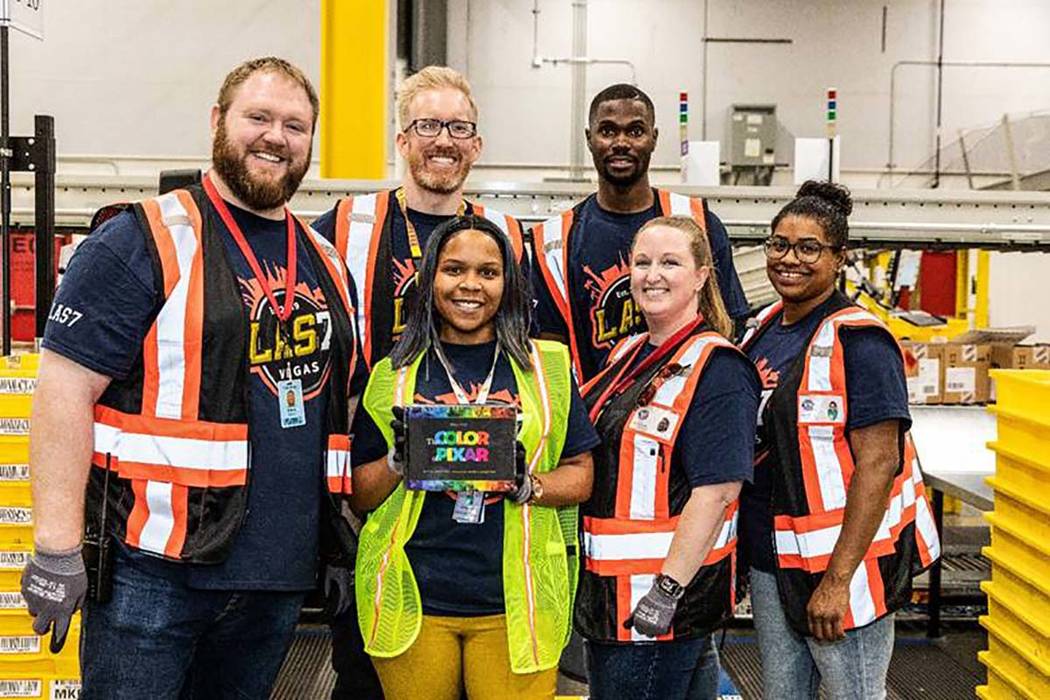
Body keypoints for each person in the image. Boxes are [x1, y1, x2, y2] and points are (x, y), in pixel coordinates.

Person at [21, 57, 363, 697]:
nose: (275, 137)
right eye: (257, 117)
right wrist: (56, 547)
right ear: (217, 122)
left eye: (295, 125)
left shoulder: (325, 261)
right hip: (152, 575)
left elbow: (335, 408)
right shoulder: (140, 239)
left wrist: (339, 539)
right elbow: (64, 391)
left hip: (278, 578)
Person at [350, 215, 598, 700]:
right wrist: (399, 464)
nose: (470, 285)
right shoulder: (393, 373)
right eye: (454, 269)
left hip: (519, 602)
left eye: (488, 272)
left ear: (507, 283)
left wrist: (530, 486)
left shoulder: (547, 367)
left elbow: (582, 474)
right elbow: (361, 493)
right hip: (411, 597)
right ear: (431, 280)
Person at [738, 181, 941, 699]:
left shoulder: (860, 340)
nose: (791, 259)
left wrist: (837, 581)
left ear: (838, 258)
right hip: (771, 556)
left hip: (839, 566)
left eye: (809, 248)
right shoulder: (759, 330)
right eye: (779, 244)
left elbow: (880, 464)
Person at [577, 216, 759, 700]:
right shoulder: (628, 353)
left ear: (701, 275)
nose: (652, 274)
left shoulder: (717, 368)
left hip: (655, 609)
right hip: (612, 600)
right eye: (642, 263)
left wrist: (668, 591)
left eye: (670, 262)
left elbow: (718, 491)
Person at [531, 83, 750, 383]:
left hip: (687, 410)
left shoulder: (699, 225)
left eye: (635, 131)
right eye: (607, 131)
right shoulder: (555, 242)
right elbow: (549, 351)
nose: (621, 142)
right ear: (589, 139)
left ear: (654, 138)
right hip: (597, 414)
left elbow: (729, 325)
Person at [315, 65, 527, 370]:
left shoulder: (506, 235)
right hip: (371, 414)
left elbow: (523, 340)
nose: (444, 140)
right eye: (427, 126)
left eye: (459, 127)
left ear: (476, 146)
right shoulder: (344, 225)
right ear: (402, 142)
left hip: (478, 412)